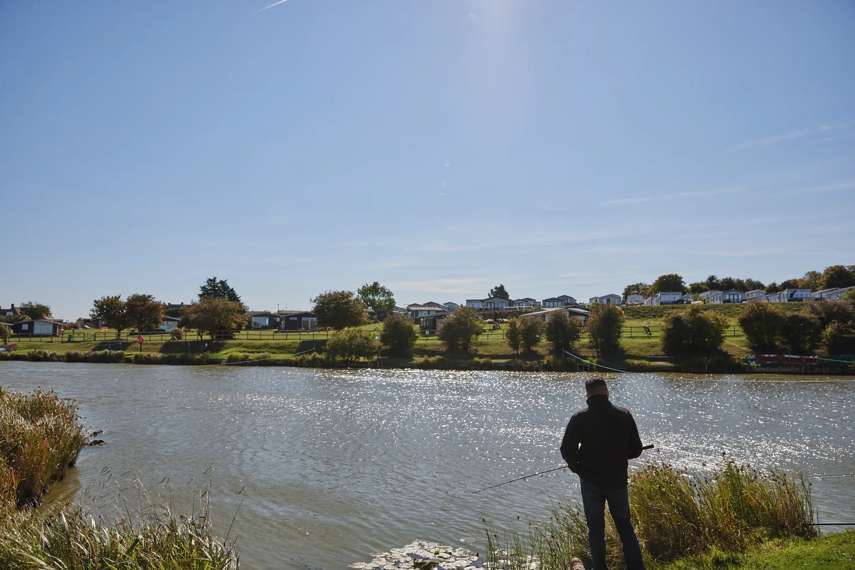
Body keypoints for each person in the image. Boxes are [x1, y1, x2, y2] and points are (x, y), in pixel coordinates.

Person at [561, 378, 645, 570]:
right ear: (606, 392)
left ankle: (600, 567)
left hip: (590, 481)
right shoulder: (624, 415)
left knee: (595, 529)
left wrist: (579, 468)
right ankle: (636, 567)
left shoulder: (579, 418)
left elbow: (566, 450)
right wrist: (621, 455)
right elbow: (636, 449)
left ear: (587, 394)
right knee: (625, 526)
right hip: (617, 481)